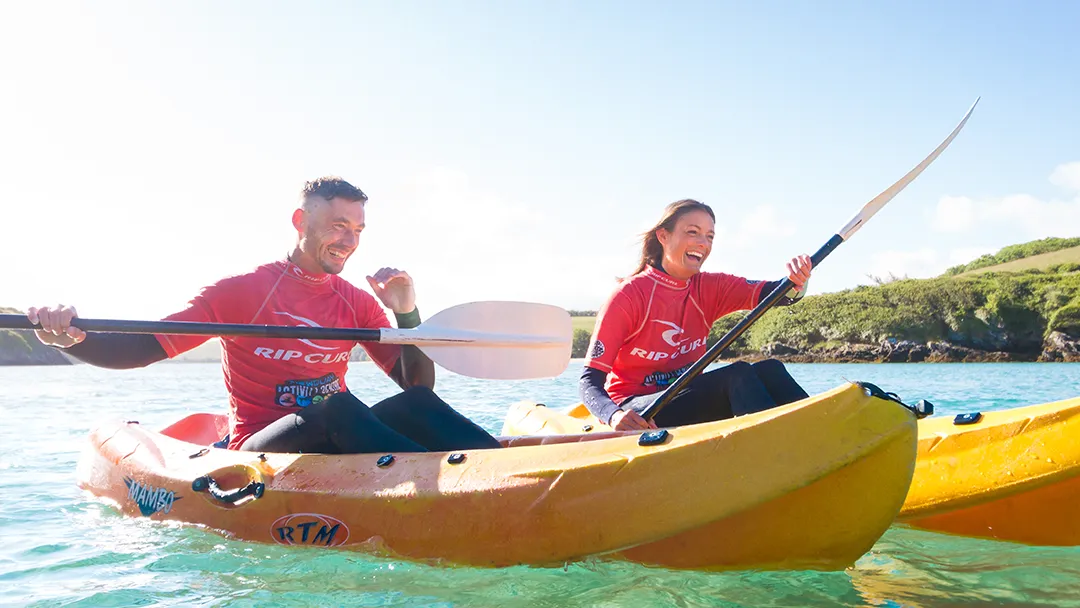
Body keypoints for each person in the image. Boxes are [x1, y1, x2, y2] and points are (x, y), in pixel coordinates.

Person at [28, 176, 502, 454]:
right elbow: (138, 350)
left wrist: (405, 315)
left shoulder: (353, 300)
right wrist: (71, 338)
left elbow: (417, 387)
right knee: (334, 404)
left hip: (341, 439)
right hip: (262, 446)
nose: (349, 241)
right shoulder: (242, 292)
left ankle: (495, 469)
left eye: (357, 229)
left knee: (411, 407)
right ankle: (452, 490)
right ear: (301, 222)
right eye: (338, 225)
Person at [580, 198, 813, 431]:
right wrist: (613, 415)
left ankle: (819, 432)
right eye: (693, 232)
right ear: (663, 236)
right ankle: (775, 451)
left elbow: (779, 293)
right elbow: (589, 381)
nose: (703, 243)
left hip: (684, 397)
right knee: (737, 375)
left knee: (770, 370)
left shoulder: (710, 287)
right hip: (638, 411)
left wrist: (799, 279)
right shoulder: (629, 295)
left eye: (710, 236)